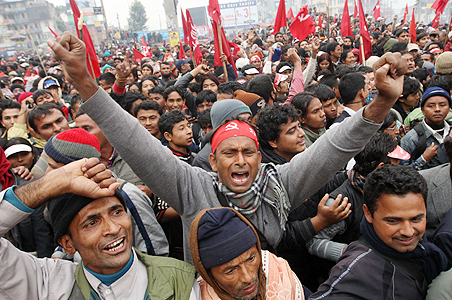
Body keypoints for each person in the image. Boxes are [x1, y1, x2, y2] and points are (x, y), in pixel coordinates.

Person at [47, 32, 408, 263]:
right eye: (228, 153)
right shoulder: (192, 187)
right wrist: (83, 81)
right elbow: (136, 142)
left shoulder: (279, 184)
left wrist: (379, 103)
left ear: (258, 155)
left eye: (247, 152)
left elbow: (333, 147)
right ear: (213, 160)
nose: (240, 160)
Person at [0, 157, 200, 299]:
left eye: (116, 212)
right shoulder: (48, 284)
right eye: (92, 222)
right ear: (67, 244)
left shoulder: (181, 280)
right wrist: (52, 183)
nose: (113, 228)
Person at [309, 164, 448, 299]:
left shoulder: (424, 252)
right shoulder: (356, 273)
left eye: (416, 219)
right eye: (393, 221)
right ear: (368, 213)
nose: (408, 231)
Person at [190, 207, 305, 300]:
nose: (248, 278)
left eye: (251, 259)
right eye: (230, 271)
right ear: (208, 275)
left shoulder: (278, 271)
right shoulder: (198, 296)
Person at [401, 87, 452, 170]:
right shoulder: (411, 138)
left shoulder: (450, 131)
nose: (437, 109)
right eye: (431, 106)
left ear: (449, 108)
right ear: (423, 110)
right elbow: (402, 173)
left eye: (442, 105)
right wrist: (424, 159)